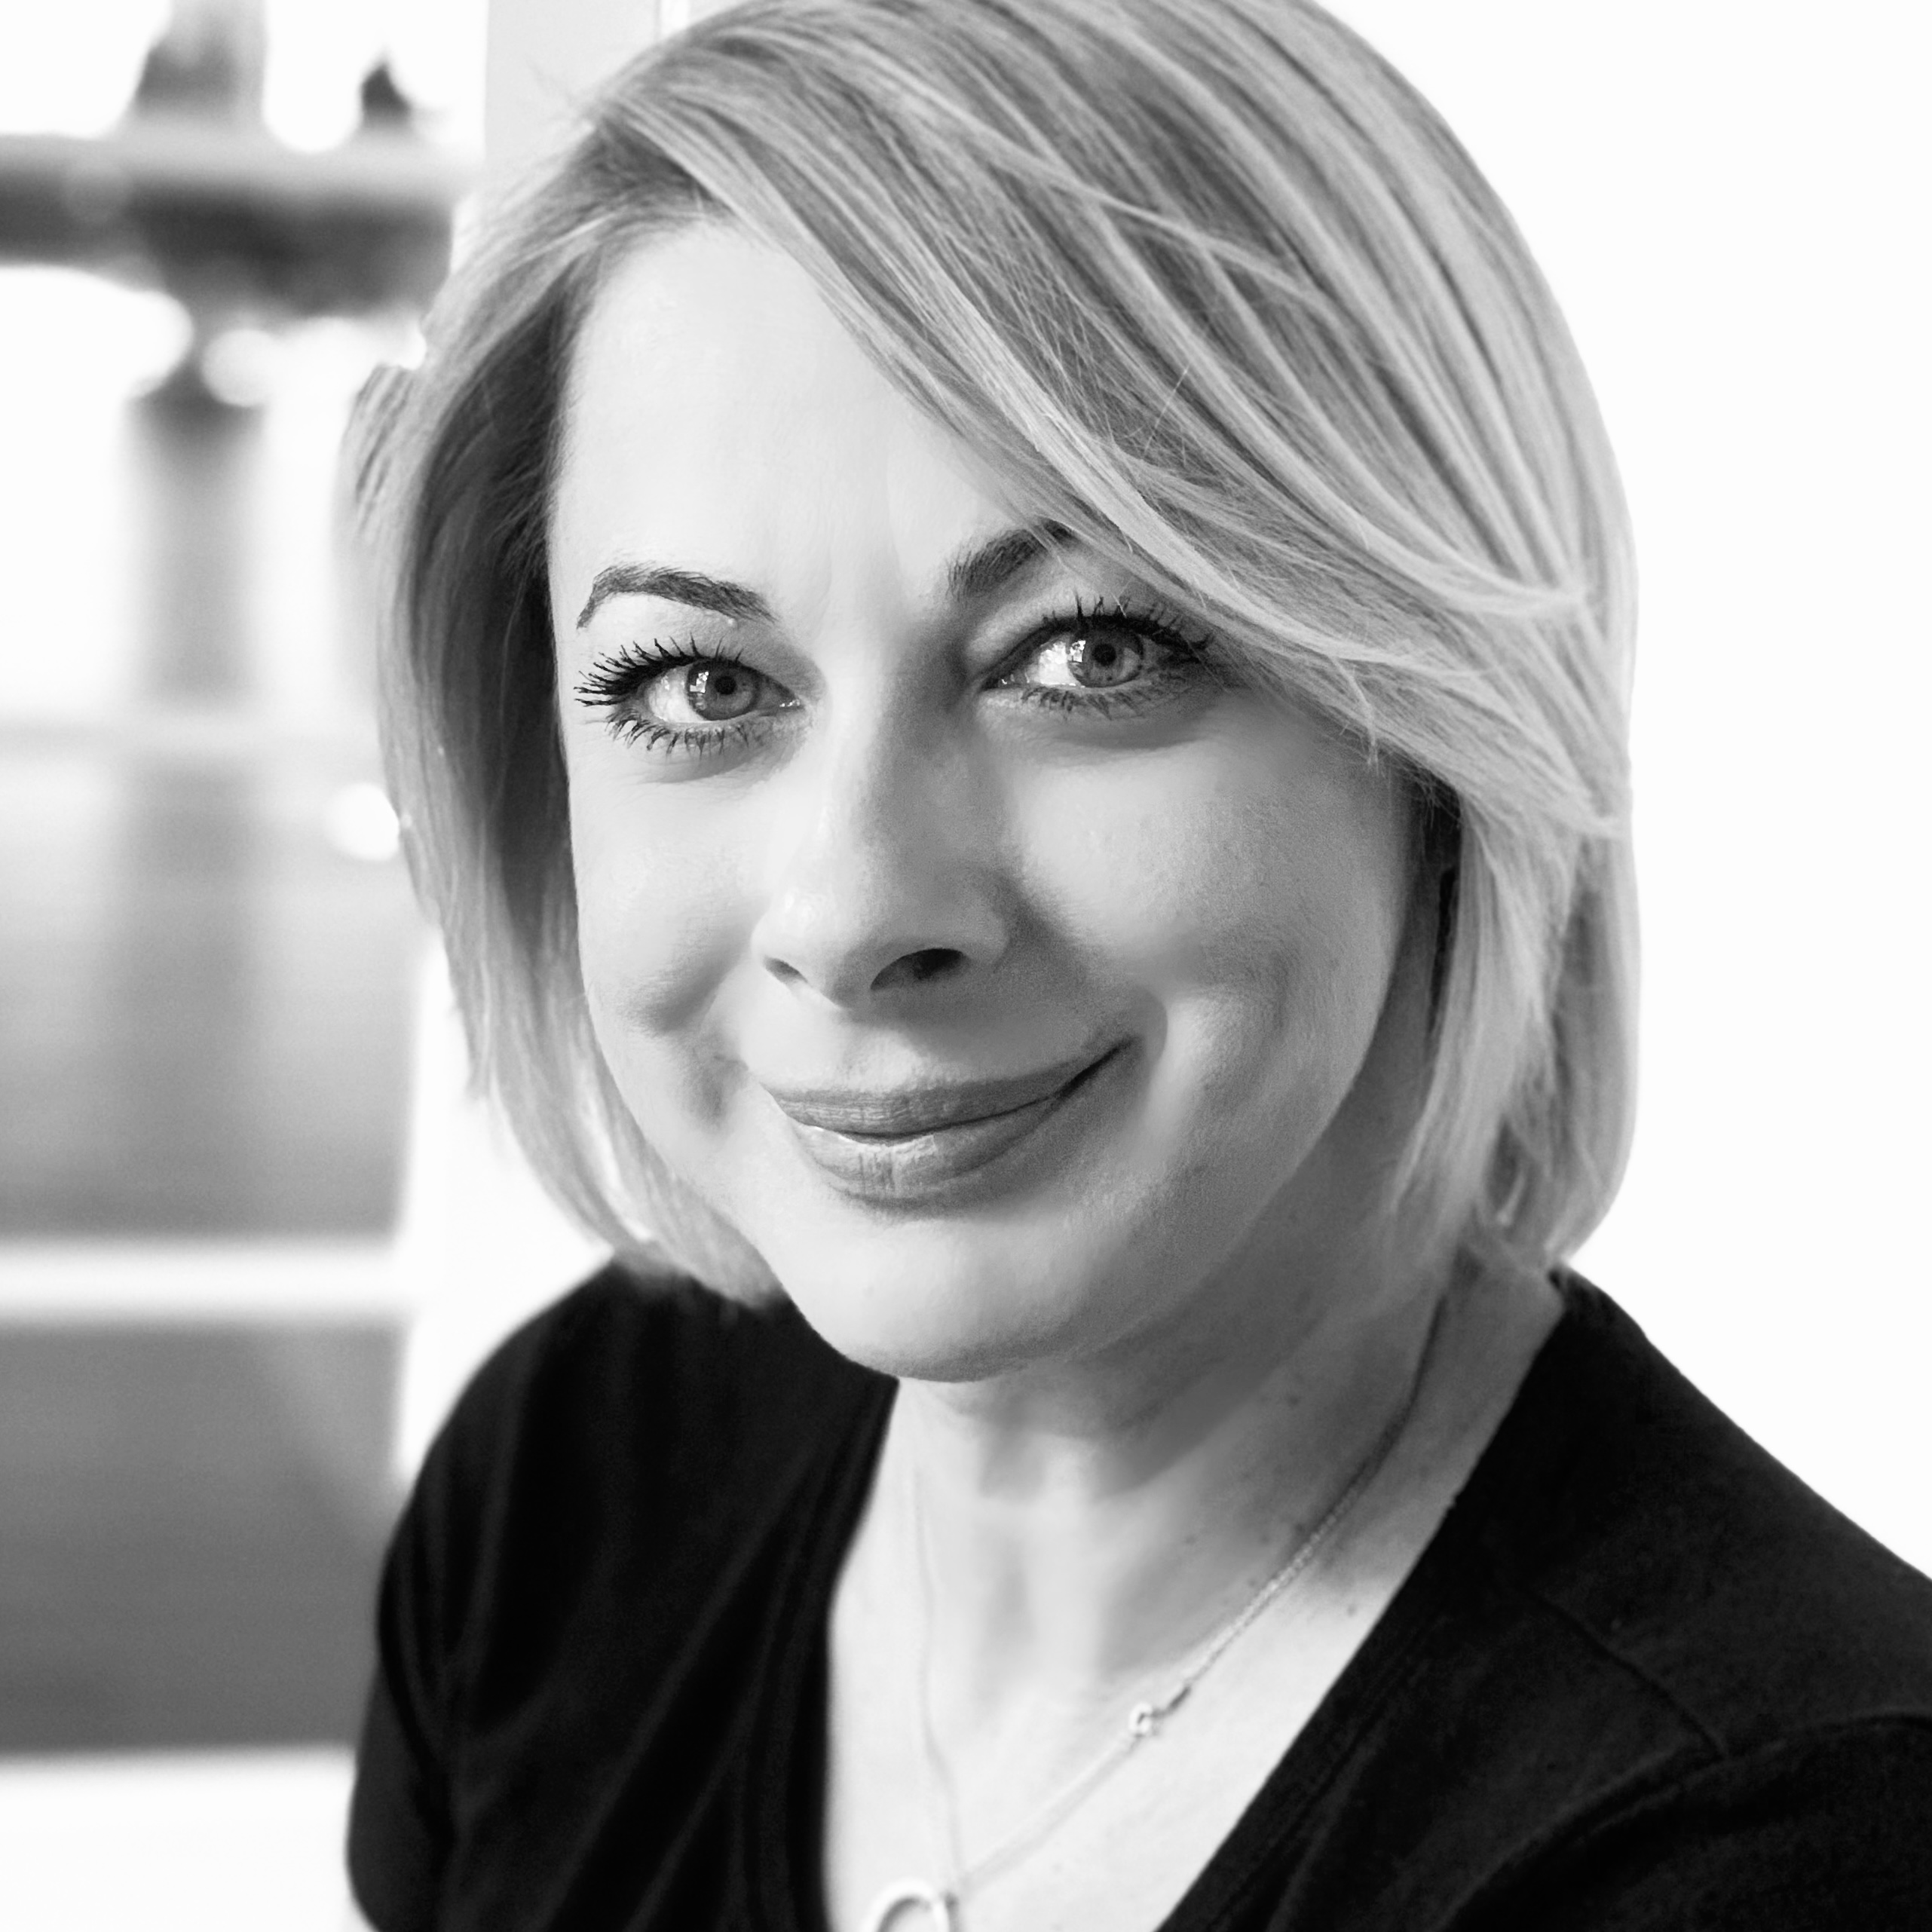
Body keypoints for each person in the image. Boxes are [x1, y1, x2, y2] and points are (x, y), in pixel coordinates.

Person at [342, 3, 1932, 1927]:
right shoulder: (570, 1484)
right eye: (698, 684)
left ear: (1442, 741)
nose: (851, 909)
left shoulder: (1799, 1853)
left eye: (1087, 653)